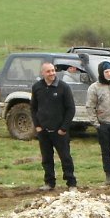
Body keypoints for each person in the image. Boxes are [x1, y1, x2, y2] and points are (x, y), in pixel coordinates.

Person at [31, 61, 77, 191]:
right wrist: (37, 126)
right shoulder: (37, 87)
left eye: (53, 70)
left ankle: (71, 183)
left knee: (65, 157)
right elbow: (33, 108)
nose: (51, 73)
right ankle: (49, 182)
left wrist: (63, 128)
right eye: (48, 71)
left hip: (60, 132)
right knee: (46, 158)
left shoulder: (64, 87)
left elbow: (70, 109)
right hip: (43, 131)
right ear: (42, 73)